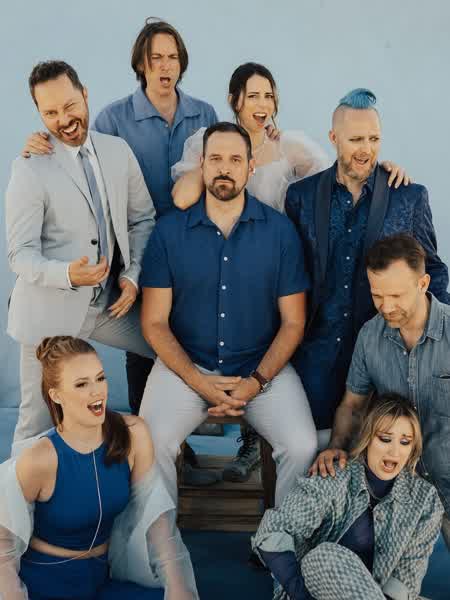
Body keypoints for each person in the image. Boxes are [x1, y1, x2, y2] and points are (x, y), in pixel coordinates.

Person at [171, 66, 410, 483]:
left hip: (275, 271)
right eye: (253, 95)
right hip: (225, 267)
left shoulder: (289, 146)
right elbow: (182, 198)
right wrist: (220, 159)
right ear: (235, 101)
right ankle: (242, 434)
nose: (263, 104)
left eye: (269, 95)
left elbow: (337, 176)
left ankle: (257, 444)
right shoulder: (211, 146)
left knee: (275, 355)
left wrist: (378, 164)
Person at [21, 19, 219, 424]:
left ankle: (179, 433)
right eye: (155, 58)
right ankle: (148, 433)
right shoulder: (113, 119)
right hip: (137, 255)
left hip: (194, 250)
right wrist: (41, 141)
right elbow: (79, 156)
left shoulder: (205, 113)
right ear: (141, 65)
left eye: (172, 57)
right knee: (146, 345)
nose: (165, 66)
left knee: (188, 339)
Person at [139, 121, 317, 507]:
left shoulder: (280, 232)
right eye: (216, 158)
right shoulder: (168, 232)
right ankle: (162, 541)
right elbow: (153, 322)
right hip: (187, 366)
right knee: (150, 443)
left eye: (235, 160)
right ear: (201, 165)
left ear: (251, 167)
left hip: (261, 368)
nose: (225, 168)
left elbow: (293, 323)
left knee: (302, 445)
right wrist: (198, 382)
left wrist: (255, 382)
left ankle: (280, 538)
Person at [5, 61, 155, 445]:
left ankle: (159, 447)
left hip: (108, 306)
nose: (63, 120)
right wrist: (67, 274)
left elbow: (142, 219)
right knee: (35, 424)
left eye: (70, 105)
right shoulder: (29, 167)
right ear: (39, 114)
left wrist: (132, 275)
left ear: (85, 94)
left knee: (171, 352)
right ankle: (22, 485)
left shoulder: (118, 151)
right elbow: (19, 254)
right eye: (50, 112)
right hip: (48, 315)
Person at [285, 88, 449, 433]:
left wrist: (432, 342)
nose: (366, 149)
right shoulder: (301, 196)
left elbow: (432, 270)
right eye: (356, 139)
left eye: (374, 139)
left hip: (387, 352)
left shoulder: (409, 196)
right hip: (317, 351)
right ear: (334, 138)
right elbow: (290, 275)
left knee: (384, 446)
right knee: (312, 448)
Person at [0, 336, 198, 600]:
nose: (97, 391)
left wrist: (177, 586)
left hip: (103, 579)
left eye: (100, 378)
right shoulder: (39, 459)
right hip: (45, 582)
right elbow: (3, 549)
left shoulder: (133, 433)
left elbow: (157, 521)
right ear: (56, 395)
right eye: (82, 384)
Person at [310, 234, 450, 550]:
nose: (386, 307)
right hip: (397, 485)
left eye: (396, 295)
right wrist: (336, 446)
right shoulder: (370, 336)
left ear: (423, 283)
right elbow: (353, 405)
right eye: (377, 295)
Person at [253, 393, 443, 600]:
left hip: (378, 595)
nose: (395, 452)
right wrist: (300, 593)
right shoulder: (333, 477)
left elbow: (406, 577)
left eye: (405, 442)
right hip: (313, 591)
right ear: (367, 438)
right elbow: (272, 530)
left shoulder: (426, 499)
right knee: (325, 556)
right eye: (385, 439)